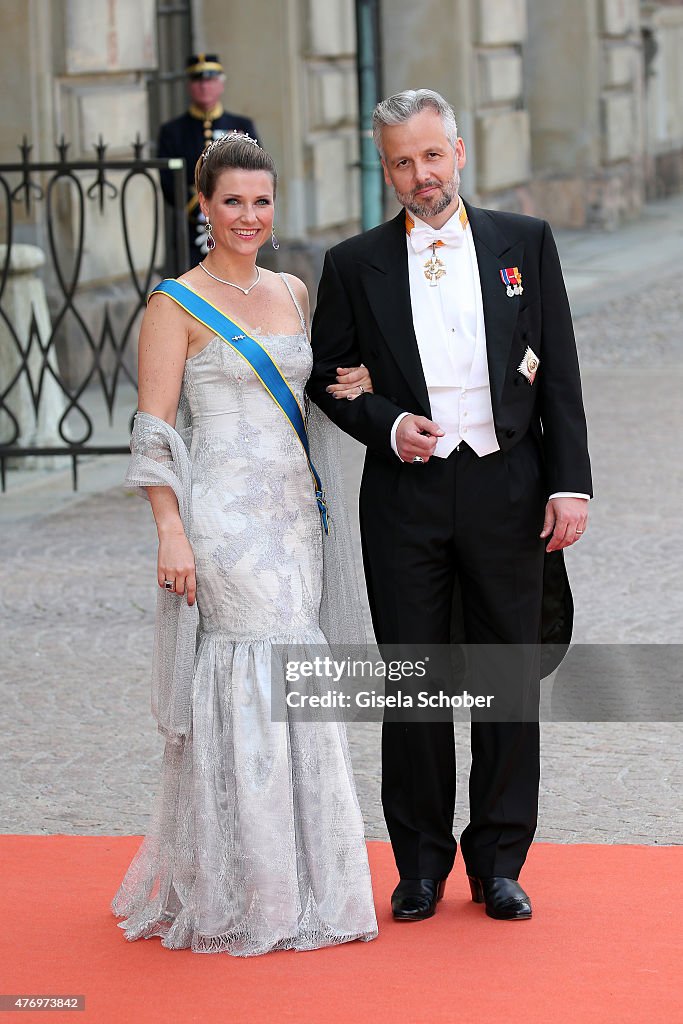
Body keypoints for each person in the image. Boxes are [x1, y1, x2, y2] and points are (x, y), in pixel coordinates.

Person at [307, 89, 592, 923]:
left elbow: (562, 371)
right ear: (384, 166)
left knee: (507, 679)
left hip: (509, 487)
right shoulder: (352, 263)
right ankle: (420, 865)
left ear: (457, 154)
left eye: (431, 156)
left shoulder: (523, 243)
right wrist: (386, 421)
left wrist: (567, 482)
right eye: (400, 160)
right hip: (406, 498)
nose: (418, 174)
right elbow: (331, 375)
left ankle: (499, 860)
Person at [111, 133, 378, 955]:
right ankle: (253, 890)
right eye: (233, 202)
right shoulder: (174, 304)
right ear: (204, 206)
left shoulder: (294, 291)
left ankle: (311, 880)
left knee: (296, 665)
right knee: (251, 668)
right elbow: (154, 431)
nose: (249, 216)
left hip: (297, 513)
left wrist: (360, 386)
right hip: (223, 516)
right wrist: (170, 530)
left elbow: (317, 390)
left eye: (261, 202)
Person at [157, 54, 258, 267]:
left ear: (221, 84)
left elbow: (257, 173)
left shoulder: (241, 125)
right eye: (198, 81)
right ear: (189, 86)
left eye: (210, 80)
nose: (204, 87)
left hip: (235, 224)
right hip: (190, 229)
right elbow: (168, 181)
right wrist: (200, 208)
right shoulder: (172, 131)